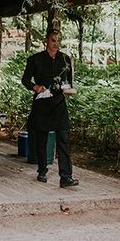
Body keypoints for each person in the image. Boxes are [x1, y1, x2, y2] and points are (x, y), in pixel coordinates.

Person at [21, 29, 78, 188]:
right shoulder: (35, 59)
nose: (56, 44)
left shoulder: (65, 59)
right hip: (42, 102)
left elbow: (69, 82)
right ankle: (42, 170)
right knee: (41, 137)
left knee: (63, 137)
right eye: (53, 40)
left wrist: (68, 90)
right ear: (47, 41)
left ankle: (66, 177)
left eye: (58, 41)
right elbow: (25, 79)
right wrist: (35, 87)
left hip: (59, 102)